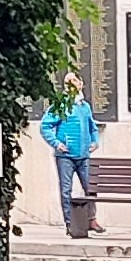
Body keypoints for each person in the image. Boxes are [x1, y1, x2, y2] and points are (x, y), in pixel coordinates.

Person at [40, 96, 102, 238]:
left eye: (76, 82)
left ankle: (91, 220)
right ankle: (70, 224)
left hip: (83, 155)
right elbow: (45, 126)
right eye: (70, 82)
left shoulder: (85, 106)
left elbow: (93, 127)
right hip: (65, 156)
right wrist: (56, 143)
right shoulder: (60, 105)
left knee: (90, 188)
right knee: (66, 190)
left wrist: (95, 142)